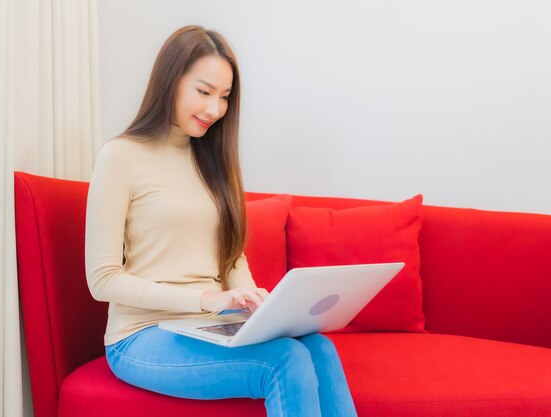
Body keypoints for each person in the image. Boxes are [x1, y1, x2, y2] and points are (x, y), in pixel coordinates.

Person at [84, 25, 358, 417]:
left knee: (318, 346)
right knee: (285, 360)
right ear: (171, 80)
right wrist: (208, 300)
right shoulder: (120, 156)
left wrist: (254, 306)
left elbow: (231, 258)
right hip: (141, 337)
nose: (214, 109)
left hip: (210, 326)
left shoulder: (212, 162)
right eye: (204, 91)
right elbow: (102, 279)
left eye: (225, 97)